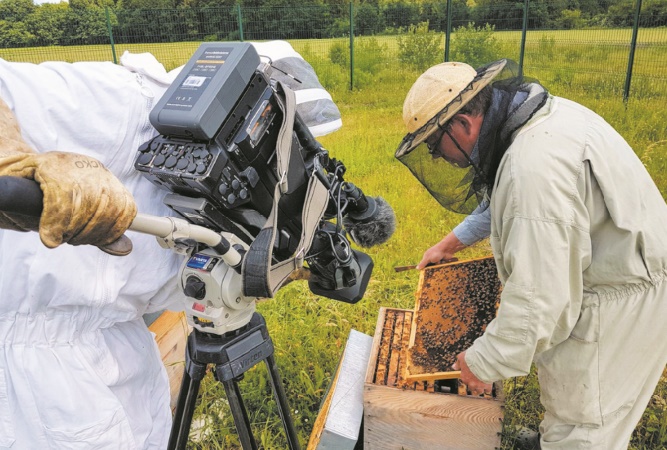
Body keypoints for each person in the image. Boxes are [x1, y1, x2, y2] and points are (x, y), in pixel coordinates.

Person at [0, 42, 341, 449]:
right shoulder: (124, 101)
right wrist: (11, 158)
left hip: (116, 352)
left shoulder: (214, 187)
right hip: (34, 388)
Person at [395, 59, 667, 449]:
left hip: (621, 296)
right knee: (571, 401)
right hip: (617, 264)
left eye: (436, 147)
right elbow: (504, 199)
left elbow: (540, 299)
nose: (439, 159)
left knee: (587, 426)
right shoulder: (537, 122)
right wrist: (448, 243)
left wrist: (484, 361)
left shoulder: (533, 170)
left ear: (464, 125)